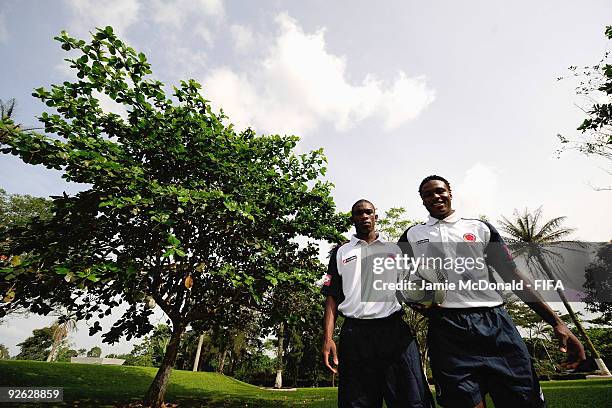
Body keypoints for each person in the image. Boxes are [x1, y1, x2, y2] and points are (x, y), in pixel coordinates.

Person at [397, 175, 586, 408]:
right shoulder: (412, 235)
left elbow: (513, 276)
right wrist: (414, 300)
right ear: (422, 201)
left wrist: (556, 322)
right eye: (428, 194)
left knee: (524, 402)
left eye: (439, 191)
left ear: (450, 192)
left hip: (495, 324)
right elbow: (399, 277)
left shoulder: (480, 228)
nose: (435, 196)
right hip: (447, 330)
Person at [321, 199, 433, 408]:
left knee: (411, 399)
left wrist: (429, 305)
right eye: (359, 213)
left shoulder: (395, 250)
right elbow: (332, 297)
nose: (364, 216)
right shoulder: (341, 252)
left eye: (368, 212)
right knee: (356, 402)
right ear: (352, 218)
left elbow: (408, 289)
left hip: (393, 331)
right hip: (355, 335)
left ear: (375, 217)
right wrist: (328, 338)